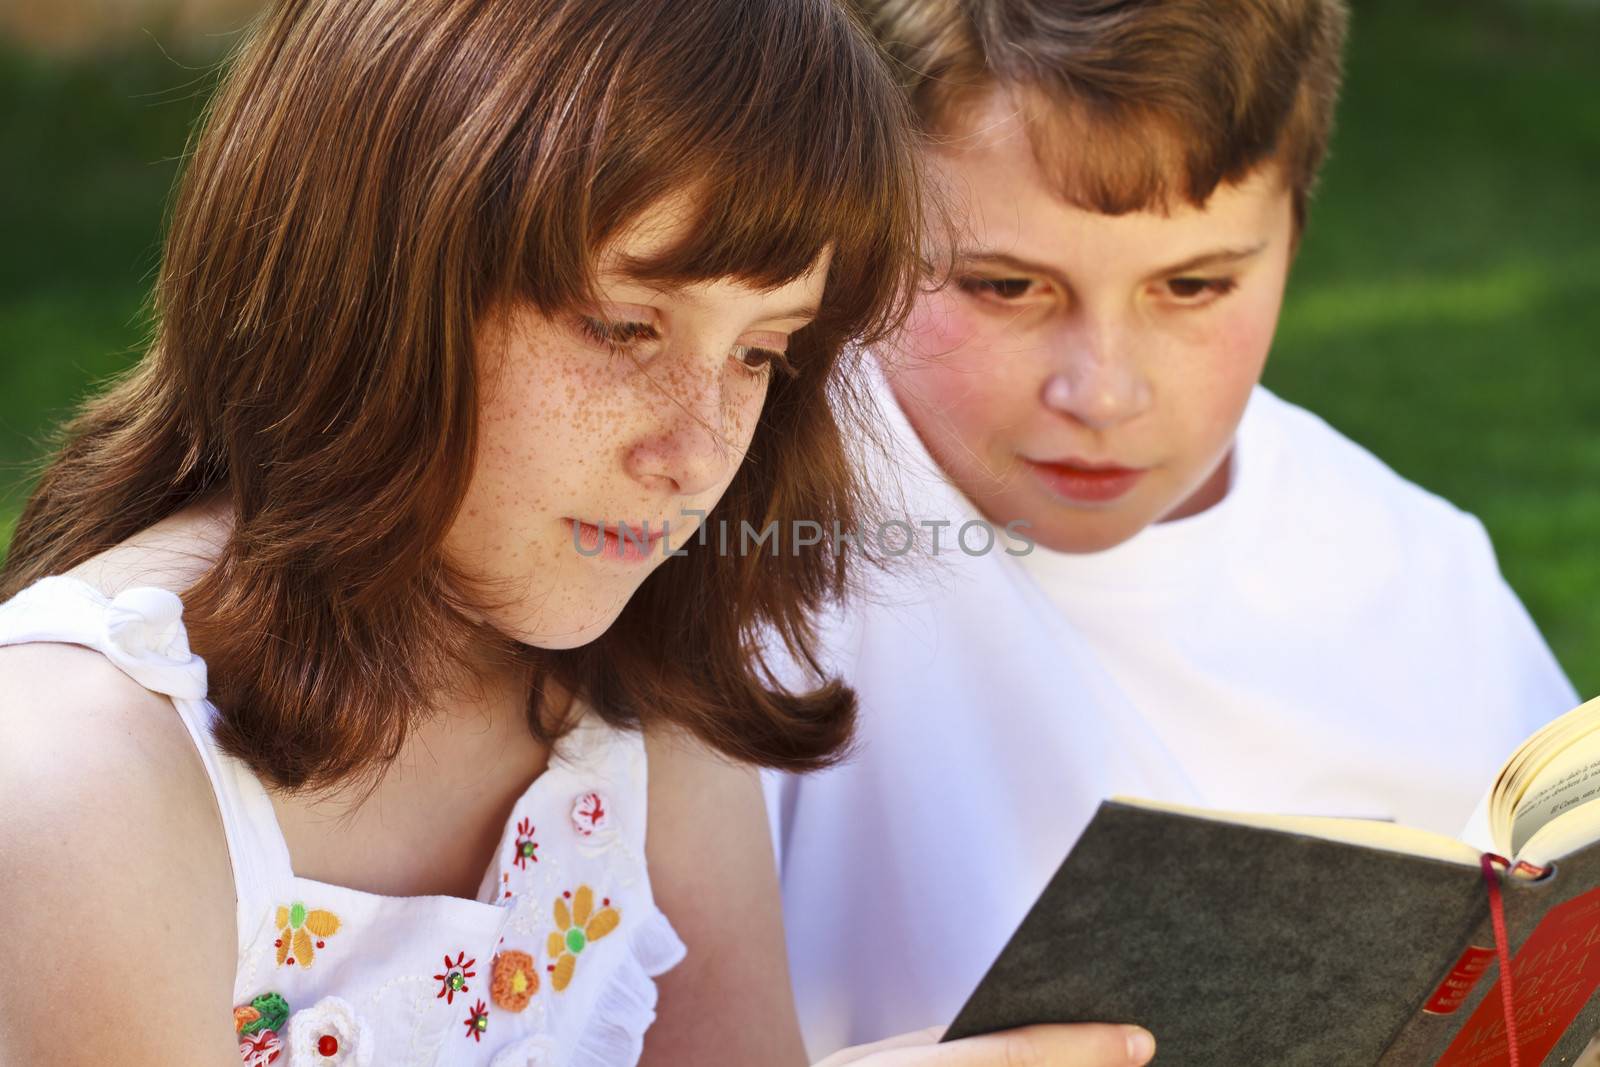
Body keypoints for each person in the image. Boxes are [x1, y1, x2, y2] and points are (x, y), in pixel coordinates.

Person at [0, 1, 1158, 1064]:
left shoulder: (631, 701)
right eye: (622, 327)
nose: (697, 452)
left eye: (761, 352)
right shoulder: (78, 781)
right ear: (362, 280)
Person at [768, 0, 1582, 1056]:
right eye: (1006, 285)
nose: (1103, 392)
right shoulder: (732, 548)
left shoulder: (1418, 569)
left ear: (1294, 229)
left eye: (1193, 285)